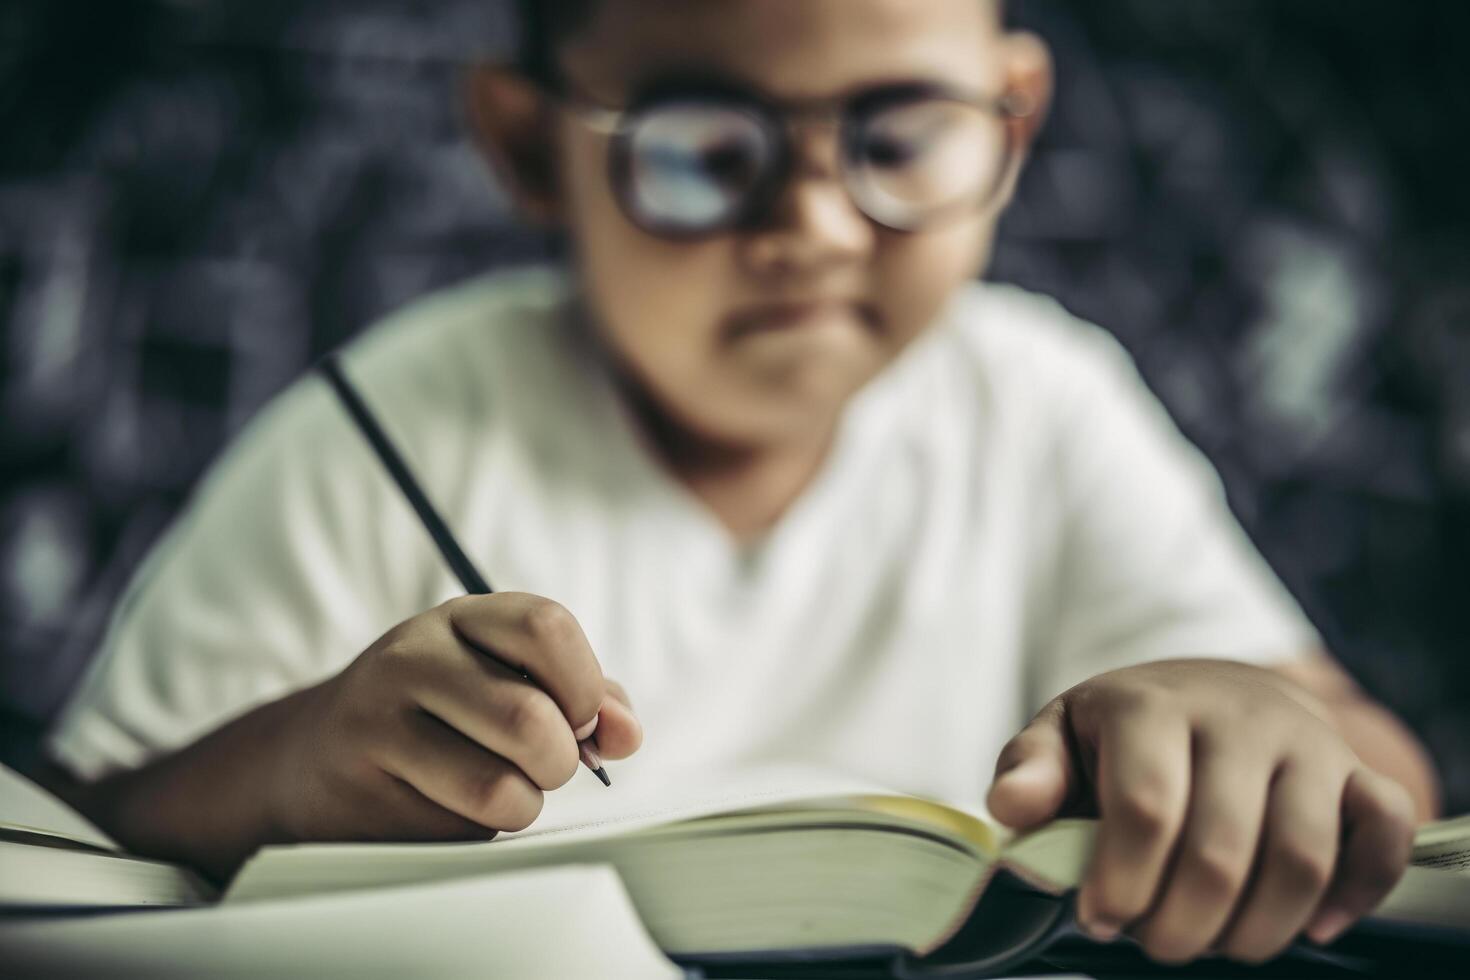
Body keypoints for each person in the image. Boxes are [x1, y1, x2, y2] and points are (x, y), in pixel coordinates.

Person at [43, 0, 1439, 966]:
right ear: (530, 148)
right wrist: (289, 768)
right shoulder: (383, 425)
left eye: (895, 139)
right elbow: (81, 843)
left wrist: (1267, 730)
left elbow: (1384, 785)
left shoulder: (1040, 403)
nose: (815, 226)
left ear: (1008, 123)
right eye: (704, 153)